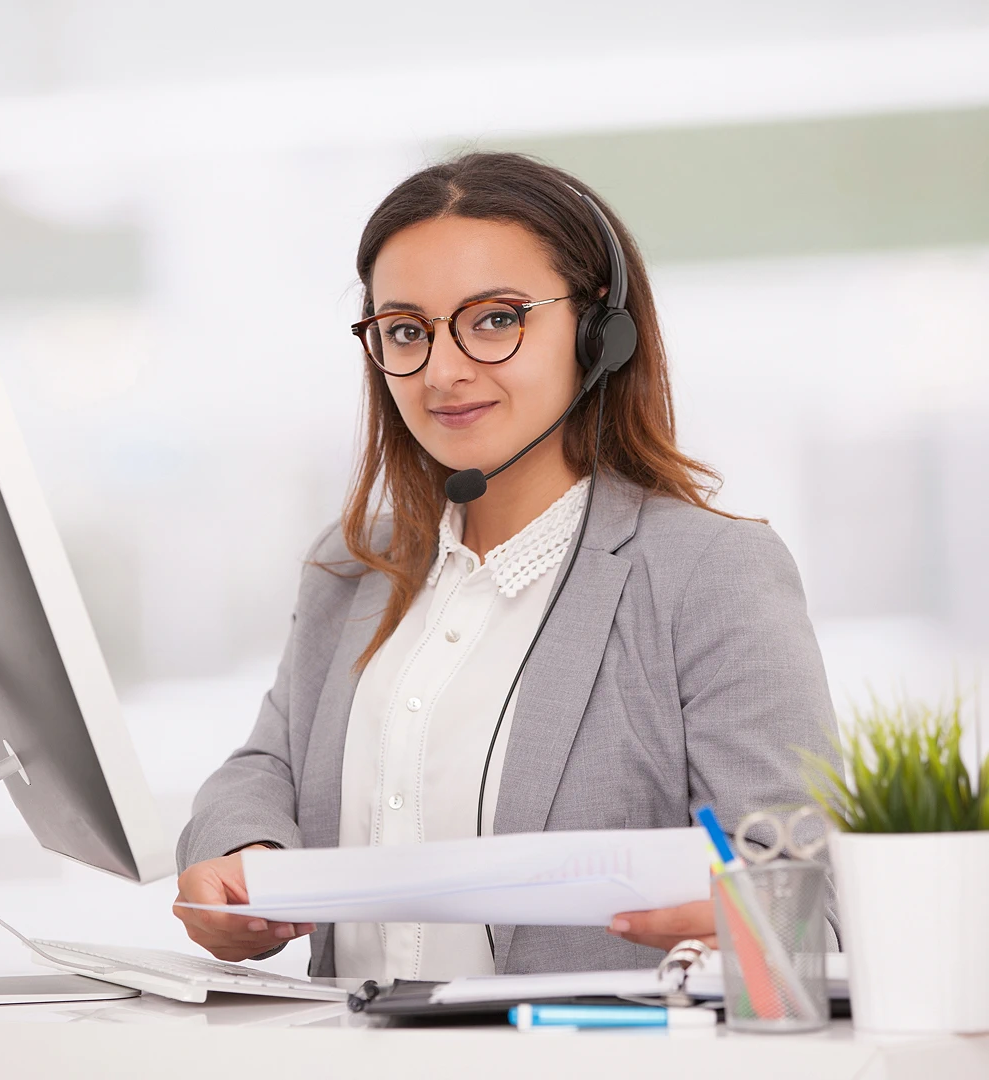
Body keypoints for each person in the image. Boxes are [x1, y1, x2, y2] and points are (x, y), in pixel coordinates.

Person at [173, 151, 841, 980]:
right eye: (406, 331)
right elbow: (266, 763)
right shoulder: (354, 563)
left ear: (599, 333)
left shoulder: (707, 571)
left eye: (494, 319)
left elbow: (814, 897)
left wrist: (745, 924)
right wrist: (242, 849)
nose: (445, 372)